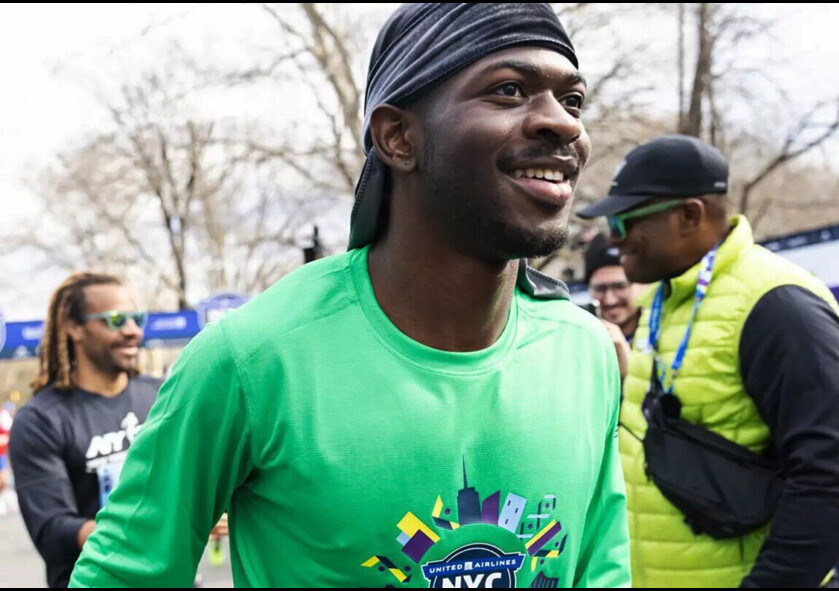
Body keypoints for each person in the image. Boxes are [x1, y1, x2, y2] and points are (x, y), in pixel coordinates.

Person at [70, 4, 630, 588]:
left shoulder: (585, 354)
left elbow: (602, 572)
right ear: (397, 137)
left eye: (573, 101)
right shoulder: (253, 359)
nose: (563, 123)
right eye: (509, 90)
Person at [578, 134, 839, 588]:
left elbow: (837, 474)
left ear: (689, 215)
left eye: (623, 221)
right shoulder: (664, 298)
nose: (614, 239)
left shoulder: (778, 305)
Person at [8, 273, 160, 588]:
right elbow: (52, 532)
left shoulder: (162, 396)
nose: (133, 331)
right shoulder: (40, 421)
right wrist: (159, 526)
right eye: (116, 320)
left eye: (137, 319)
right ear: (73, 327)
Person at [584, 233, 644, 378]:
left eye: (620, 286)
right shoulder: (580, 338)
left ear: (642, 285)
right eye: (600, 289)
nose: (610, 300)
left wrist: (630, 373)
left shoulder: (663, 332)